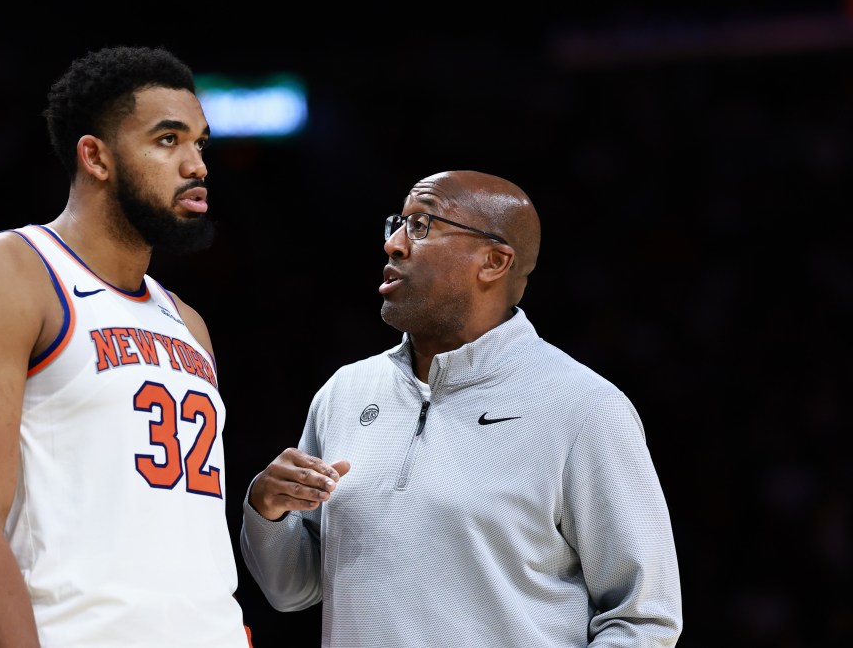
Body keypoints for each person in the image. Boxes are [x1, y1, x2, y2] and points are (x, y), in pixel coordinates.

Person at [240, 170, 683, 646]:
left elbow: (644, 620)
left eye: (422, 225)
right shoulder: (345, 392)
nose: (394, 244)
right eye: (397, 224)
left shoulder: (583, 406)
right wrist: (267, 510)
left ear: (493, 261)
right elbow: (293, 589)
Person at [0, 45, 253, 648]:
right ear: (95, 157)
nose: (197, 165)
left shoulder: (190, 324)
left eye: (201, 143)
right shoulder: (6, 275)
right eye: (168, 140)